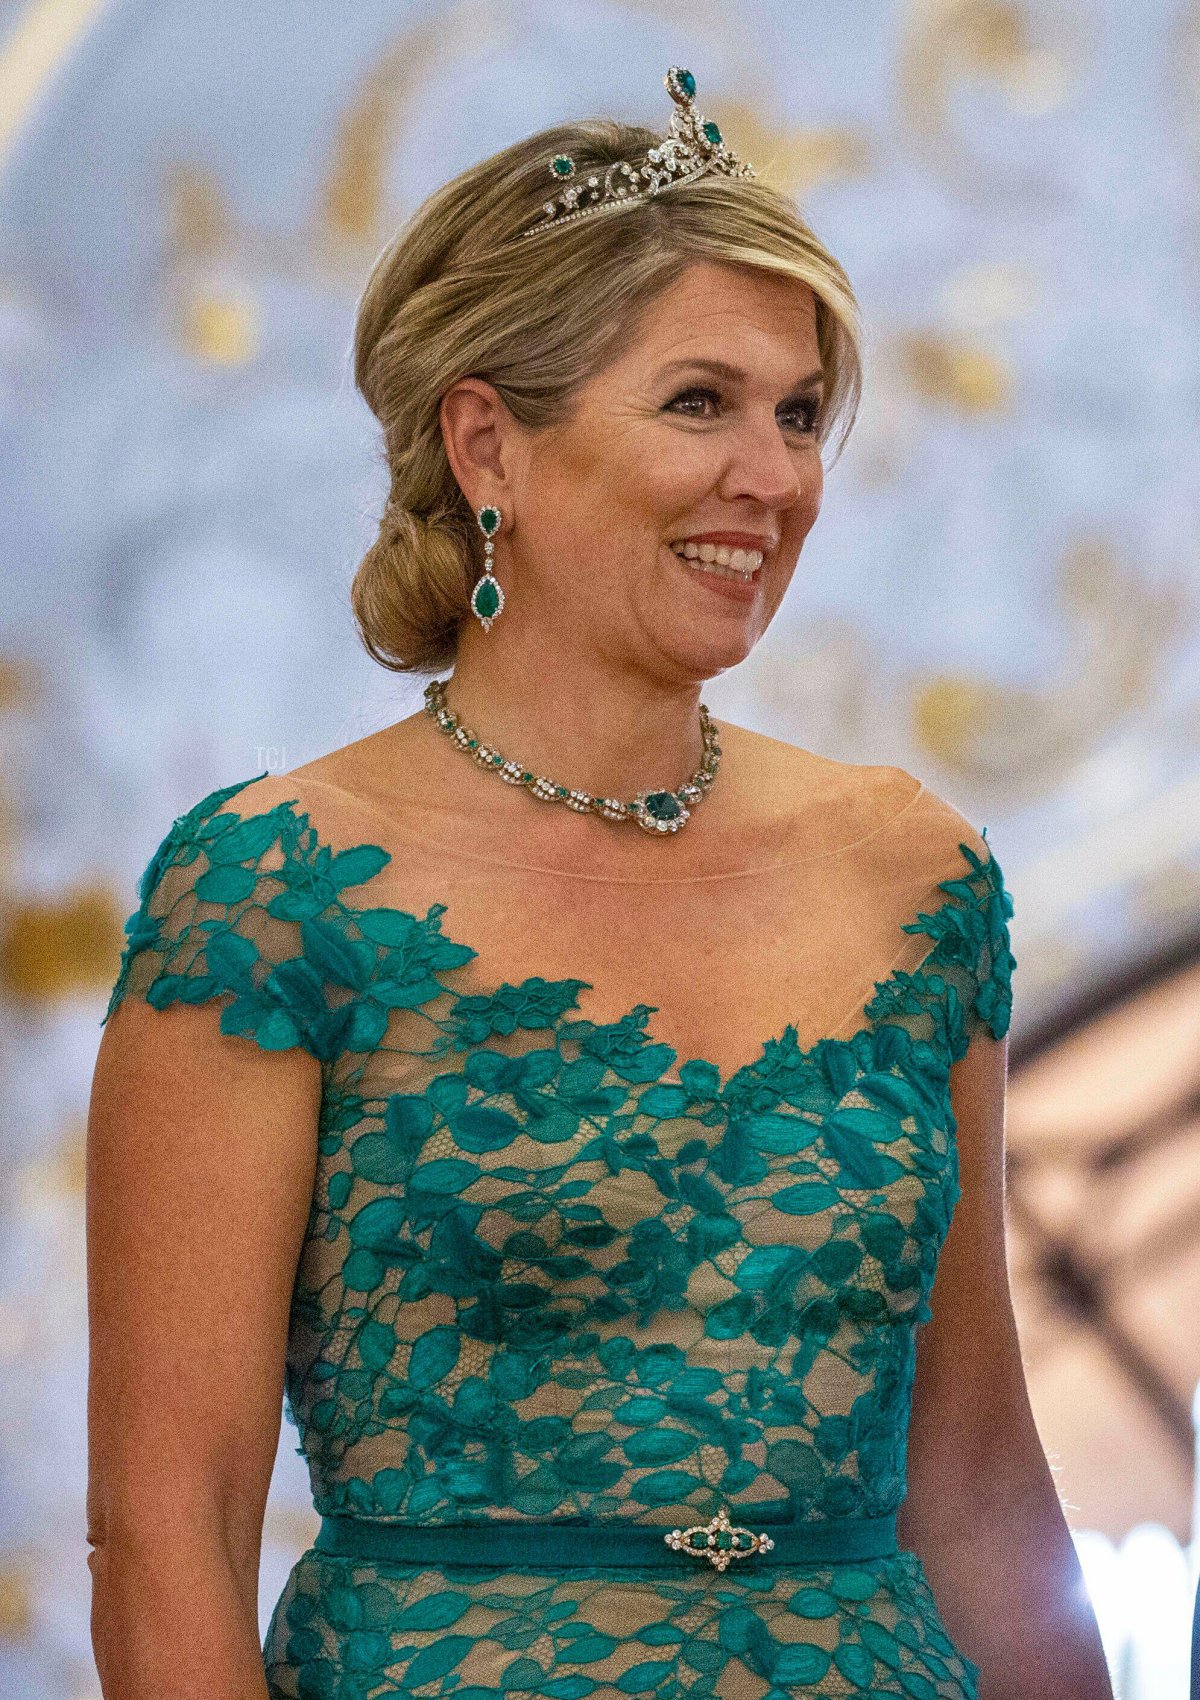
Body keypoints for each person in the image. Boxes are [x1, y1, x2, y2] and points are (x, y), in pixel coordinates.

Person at [85, 66, 1113, 1700]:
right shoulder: (273, 893)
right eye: (700, 402)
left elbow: (984, 1485)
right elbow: (169, 1530)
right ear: (488, 440)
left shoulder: (917, 871)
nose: (773, 480)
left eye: (798, 413)